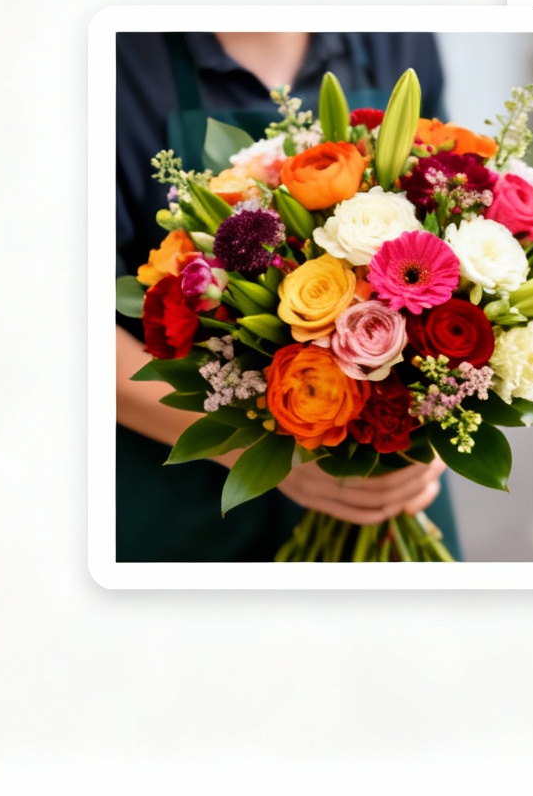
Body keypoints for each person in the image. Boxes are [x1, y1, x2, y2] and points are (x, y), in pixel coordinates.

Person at [113, 30, 461, 561]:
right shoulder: (116, 57)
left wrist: (441, 425)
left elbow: (441, 200)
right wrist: (262, 453)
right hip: (190, 499)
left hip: (396, 489)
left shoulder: (399, 33)